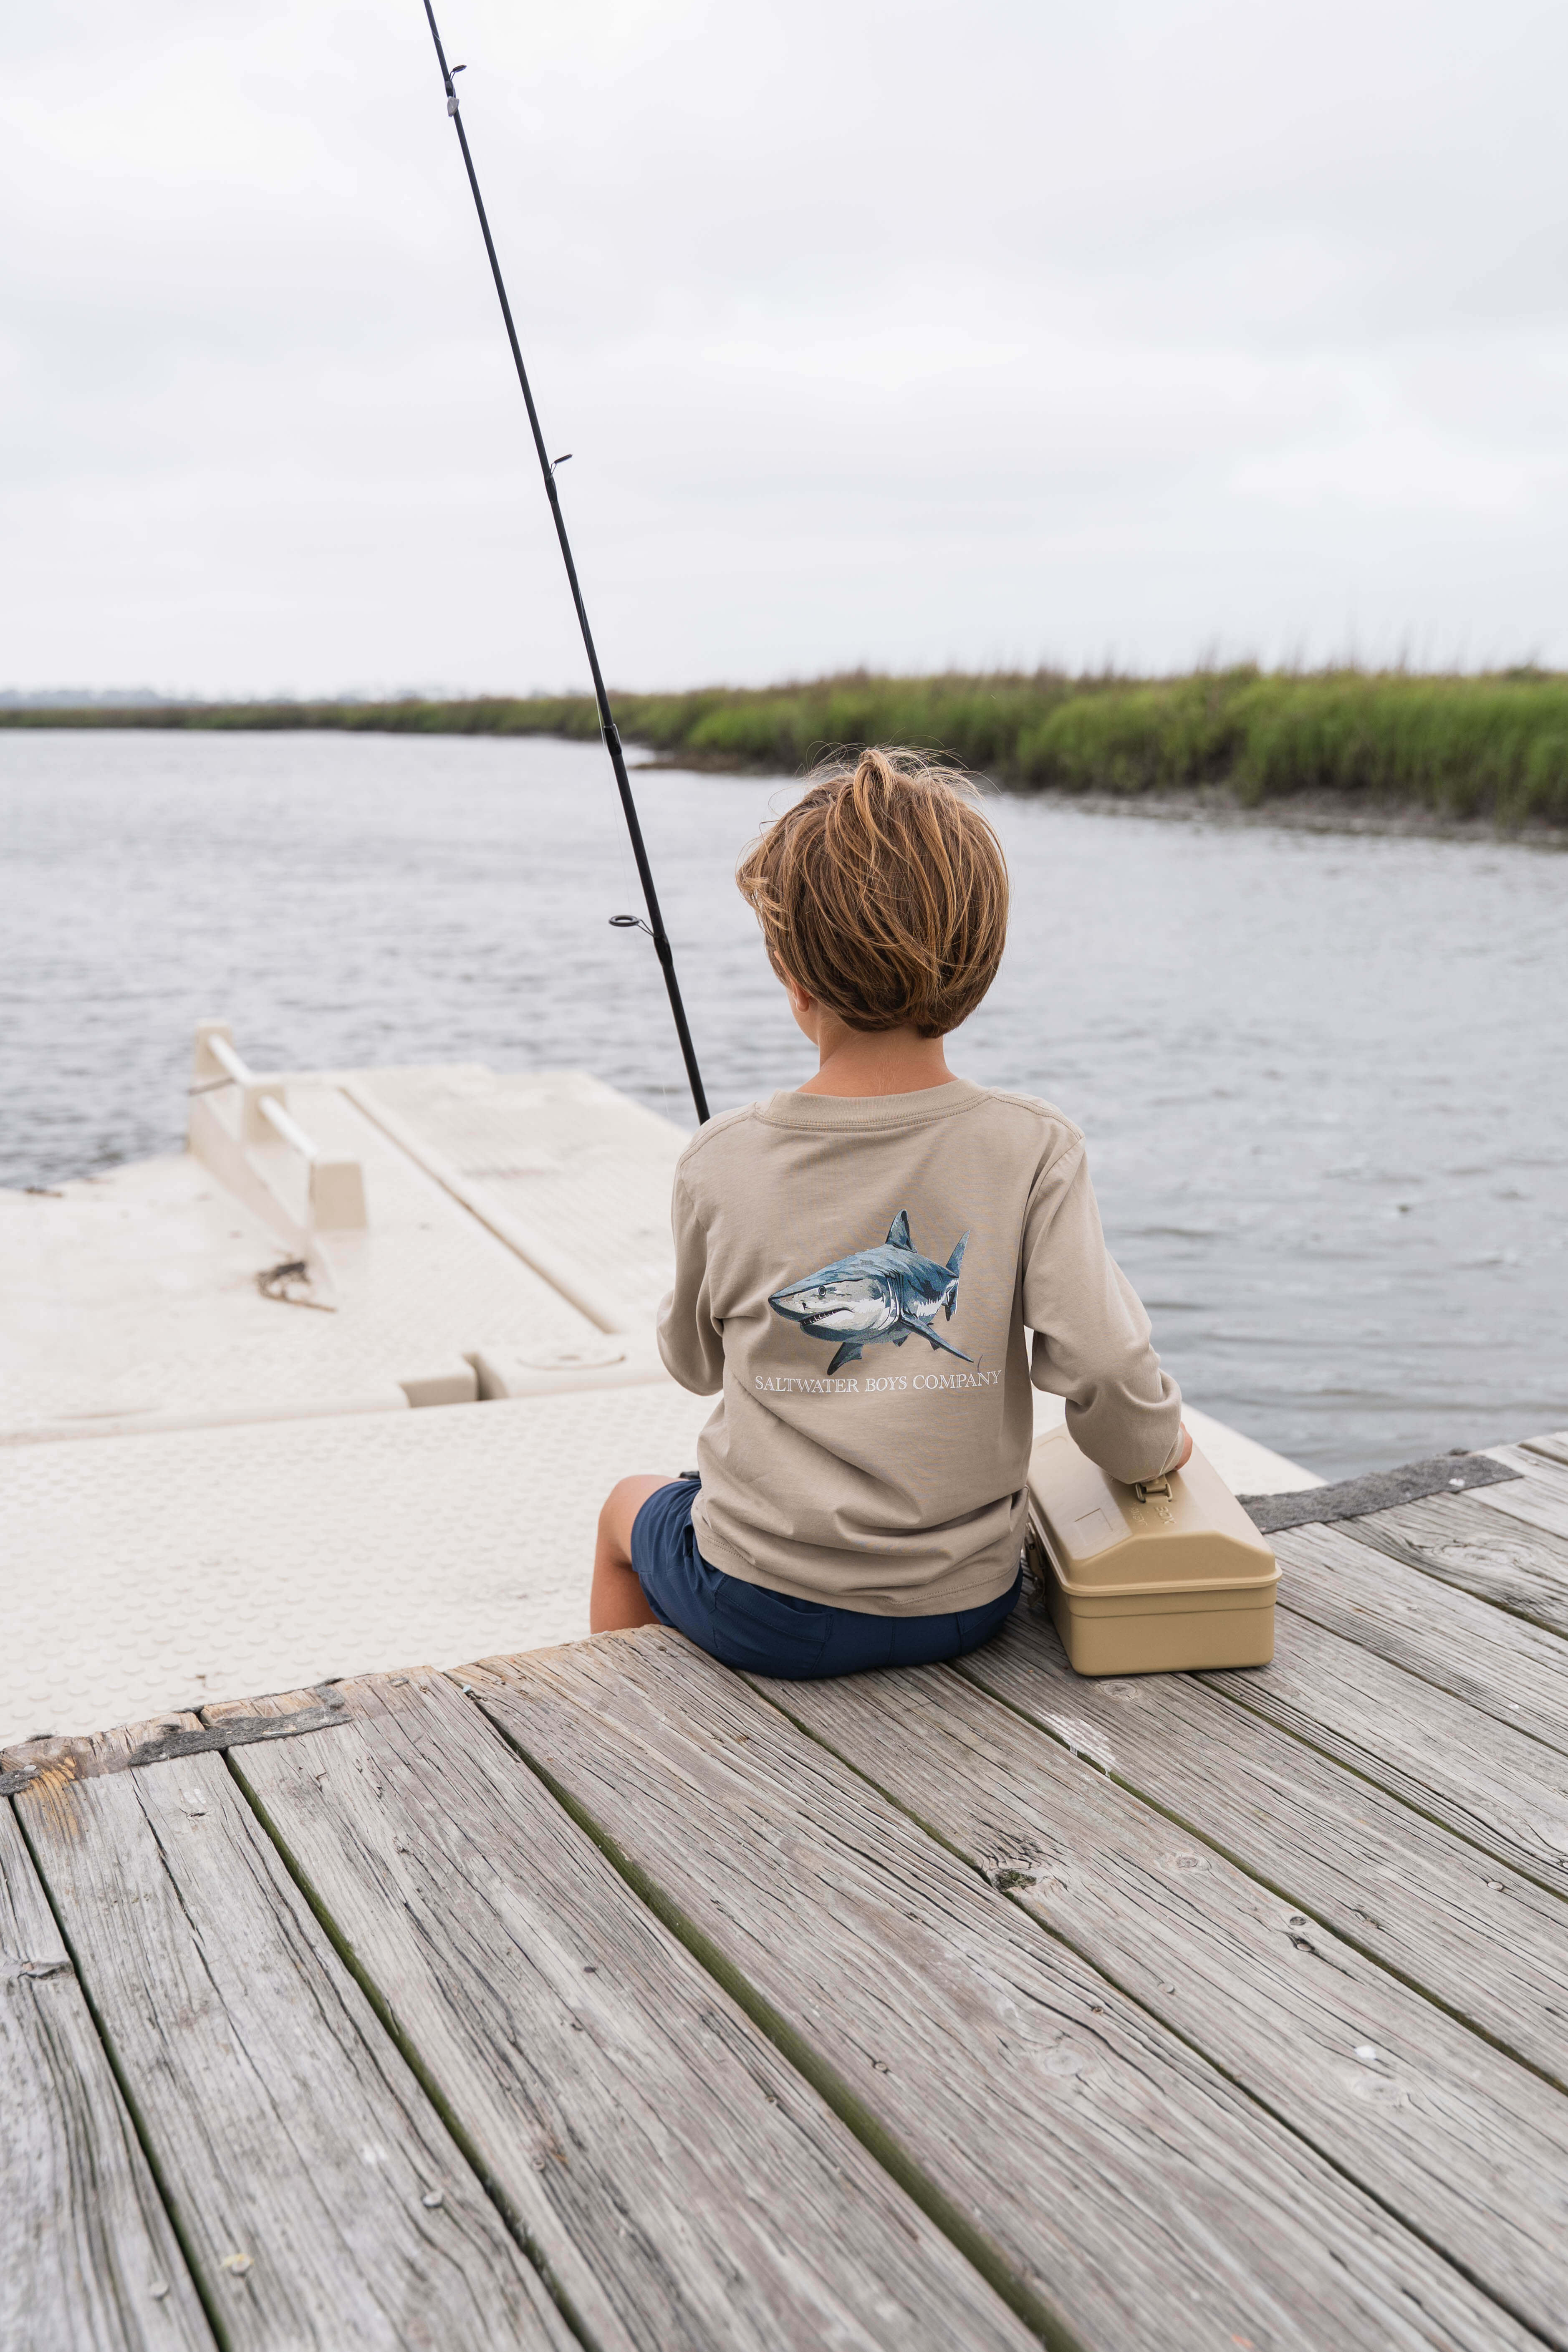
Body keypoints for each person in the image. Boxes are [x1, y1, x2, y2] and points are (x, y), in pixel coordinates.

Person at [591, 745, 1189, 1677]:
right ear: (978, 963)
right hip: (968, 1600)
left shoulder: (720, 1159)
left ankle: (625, 1733)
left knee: (626, 1509)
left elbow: (693, 1366)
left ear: (789, 971)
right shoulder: (1034, 1146)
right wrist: (1156, 1447)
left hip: (761, 1603)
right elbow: (1107, 1365)